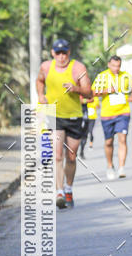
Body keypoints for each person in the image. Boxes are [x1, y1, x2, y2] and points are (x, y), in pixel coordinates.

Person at [36, 38, 92, 208]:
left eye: (64, 53)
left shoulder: (78, 68)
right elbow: (39, 81)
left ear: (69, 52)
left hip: (74, 116)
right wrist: (41, 95)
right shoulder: (46, 67)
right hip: (54, 115)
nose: (61, 56)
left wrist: (76, 89)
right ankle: (59, 192)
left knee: (71, 157)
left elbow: (89, 93)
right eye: (58, 53)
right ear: (53, 53)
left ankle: (68, 188)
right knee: (57, 155)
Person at [92, 55, 132, 179]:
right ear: (108, 65)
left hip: (123, 112)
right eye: (114, 66)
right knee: (109, 142)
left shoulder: (125, 76)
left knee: (122, 139)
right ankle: (110, 166)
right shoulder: (102, 76)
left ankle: (121, 168)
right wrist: (107, 90)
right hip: (107, 115)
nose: (116, 68)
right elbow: (93, 92)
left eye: (118, 66)